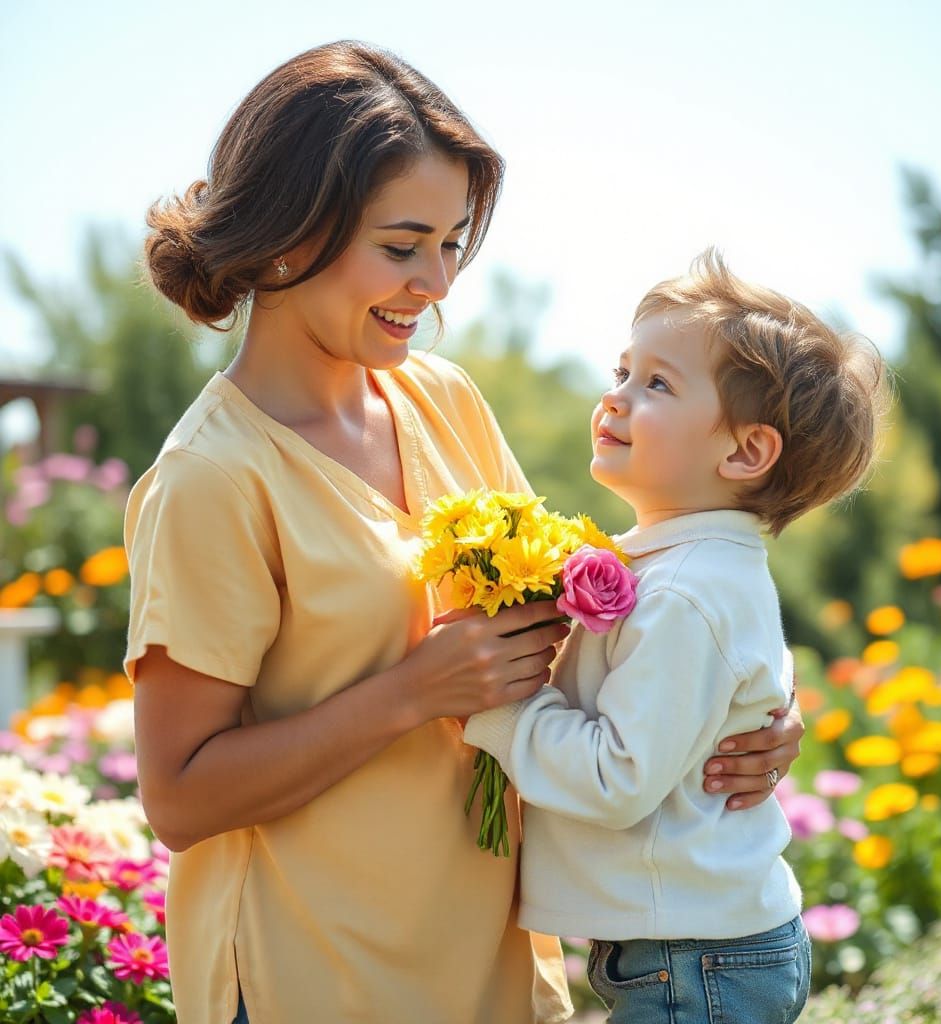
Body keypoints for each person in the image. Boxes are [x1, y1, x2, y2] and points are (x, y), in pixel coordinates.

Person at [127, 42, 806, 1024]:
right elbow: (180, 797)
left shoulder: (442, 399)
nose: (437, 281)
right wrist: (412, 693)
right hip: (311, 980)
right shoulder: (211, 477)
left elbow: (596, 623)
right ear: (286, 237)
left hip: (489, 974)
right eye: (403, 246)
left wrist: (749, 705)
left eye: (450, 244)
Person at [464, 250, 888, 1024]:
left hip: (693, 961)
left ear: (745, 452)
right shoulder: (693, 569)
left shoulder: (687, 592)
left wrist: (498, 708)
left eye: (656, 384)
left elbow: (618, 777)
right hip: (694, 949)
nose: (615, 396)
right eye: (622, 371)